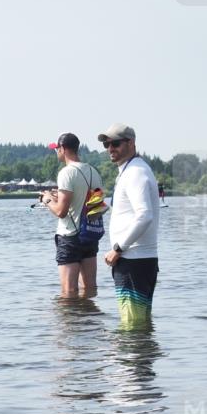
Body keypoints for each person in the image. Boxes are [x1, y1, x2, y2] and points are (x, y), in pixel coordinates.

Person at [98, 123, 160, 327]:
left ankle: (132, 359)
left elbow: (144, 215)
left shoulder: (135, 172)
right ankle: (141, 357)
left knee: (131, 326)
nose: (110, 148)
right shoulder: (132, 170)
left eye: (115, 143)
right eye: (107, 144)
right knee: (140, 325)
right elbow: (132, 212)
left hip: (132, 260)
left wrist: (118, 248)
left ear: (131, 142)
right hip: (138, 259)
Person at [39, 132, 104, 295]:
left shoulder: (66, 173)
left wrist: (47, 199)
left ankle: (71, 321)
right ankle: (90, 319)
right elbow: (92, 203)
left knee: (68, 293)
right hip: (89, 235)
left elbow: (61, 212)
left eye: (56, 149)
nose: (56, 152)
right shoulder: (93, 172)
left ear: (63, 148)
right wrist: (59, 197)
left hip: (69, 237)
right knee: (89, 289)